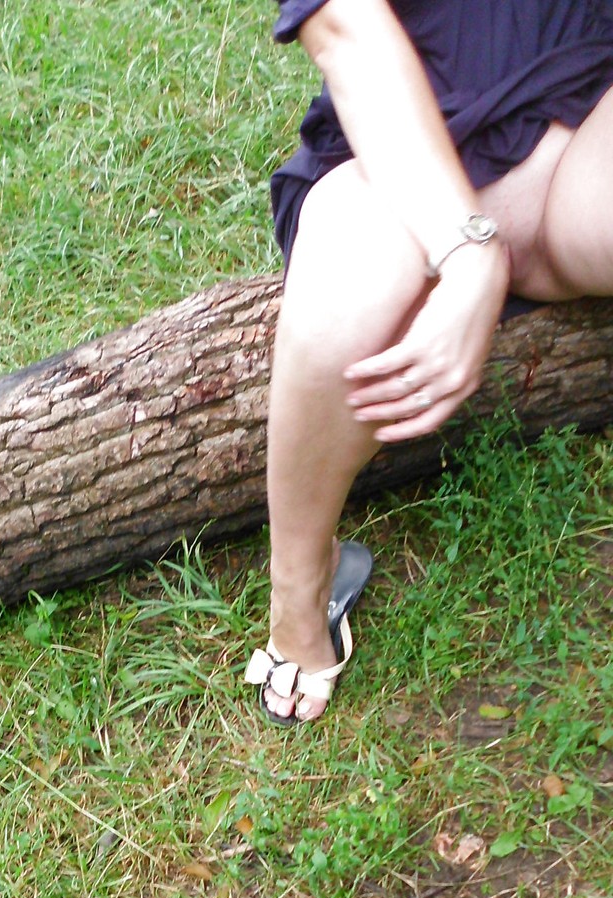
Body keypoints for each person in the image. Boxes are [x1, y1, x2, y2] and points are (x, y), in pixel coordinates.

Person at [246, 0, 613, 725]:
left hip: (589, 124)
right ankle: (299, 593)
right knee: (350, 290)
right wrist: (468, 246)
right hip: (400, 148)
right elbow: (342, 27)